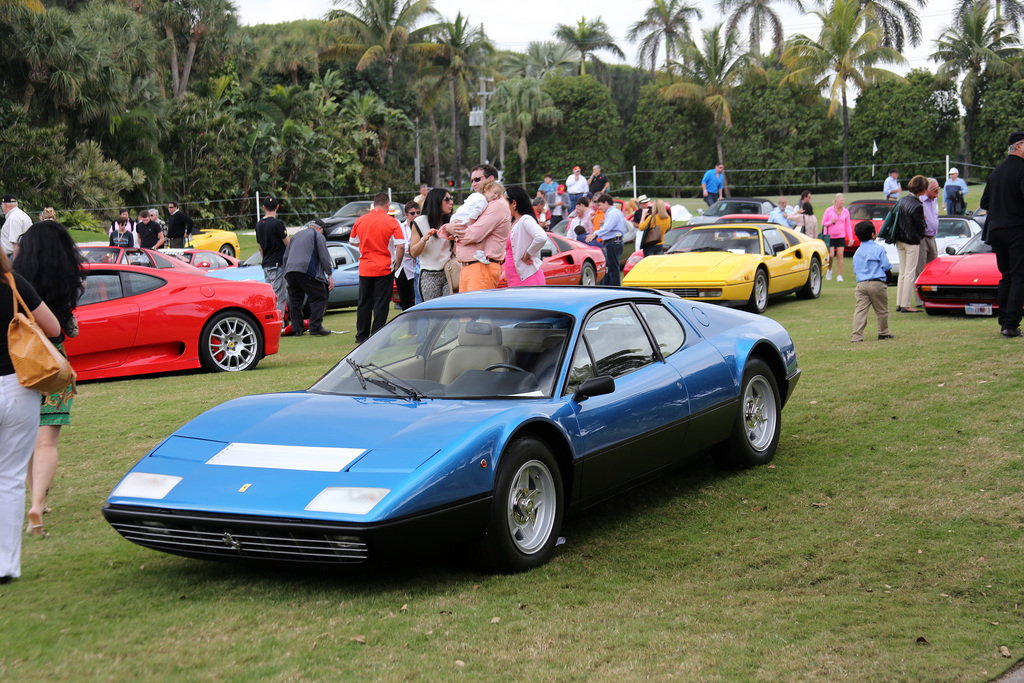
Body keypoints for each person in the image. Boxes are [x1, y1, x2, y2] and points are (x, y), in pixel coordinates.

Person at [13, 220, 83, 539]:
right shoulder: (65, 281)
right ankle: (38, 506)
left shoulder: (16, 283)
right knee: (47, 441)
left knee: (27, 441)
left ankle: (34, 498)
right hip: (54, 368)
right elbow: (68, 330)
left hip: (21, 367)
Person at [1, 248, 61, 584]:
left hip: (16, 387)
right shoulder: (14, 284)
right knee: (9, 478)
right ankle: (6, 565)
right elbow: (52, 327)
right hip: (17, 384)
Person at [979, 131, 1024, 338]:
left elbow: (984, 203)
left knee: (1006, 276)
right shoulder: (1022, 169)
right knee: (1018, 276)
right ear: (1019, 146)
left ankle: (1004, 321)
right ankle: (1011, 323)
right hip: (1017, 229)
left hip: (996, 231)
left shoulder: (996, 172)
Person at [446, 164, 512, 292]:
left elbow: (474, 234)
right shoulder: (481, 201)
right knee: (467, 311)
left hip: (482, 267)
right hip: (471, 267)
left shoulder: (497, 204)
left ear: (491, 179)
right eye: (472, 181)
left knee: (477, 311)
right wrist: (449, 228)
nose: (474, 184)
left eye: (477, 179)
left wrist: (455, 234)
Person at [350, 192, 405, 343]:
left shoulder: (360, 221)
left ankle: (361, 335)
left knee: (364, 302)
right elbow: (400, 246)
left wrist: (366, 245)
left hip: (365, 267)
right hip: (384, 267)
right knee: (381, 303)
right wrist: (398, 263)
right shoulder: (392, 222)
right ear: (387, 205)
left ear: (374, 204)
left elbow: (352, 241)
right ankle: (377, 335)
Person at [282, 219, 334, 337]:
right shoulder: (318, 236)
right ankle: (315, 326)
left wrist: (288, 270)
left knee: (296, 301)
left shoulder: (296, 236)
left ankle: (297, 329)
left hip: (290, 271)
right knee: (320, 296)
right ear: (320, 228)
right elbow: (324, 257)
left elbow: (285, 256)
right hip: (306, 270)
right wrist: (329, 275)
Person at [851, 220, 894, 343]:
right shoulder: (878, 249)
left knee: (860, 310)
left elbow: (855, 269)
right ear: (873, 235)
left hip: (861, 284)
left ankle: (856, 336)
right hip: (877, 283)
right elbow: (885, 265)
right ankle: (883, 332)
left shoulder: (857, 252)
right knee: (882, 310)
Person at [408, 189, 455, 301]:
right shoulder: (420, 222)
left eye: (451, 198)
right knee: (434, 314)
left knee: (450, 311)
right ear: (436, 202)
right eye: (447, 199)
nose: (451, 202)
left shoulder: (451, 221)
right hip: (430, 274)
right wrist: (424, 239)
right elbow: (414, 253)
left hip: (449, 272)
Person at [894, 175, 929, 313]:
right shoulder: (917, 205)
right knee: (909, 272)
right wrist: (921, 234)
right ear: (921, 189)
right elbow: (920, 226)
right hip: (911, 241)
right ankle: (906, 304)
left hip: (900, 240)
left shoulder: (902, 200)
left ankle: (899, 302)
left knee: (902, 272)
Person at [505, 186, 548, 287]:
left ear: (514, 203)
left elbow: (541, 237)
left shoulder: (525, 219)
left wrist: (528, 254)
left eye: (505, 202)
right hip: (515, 278)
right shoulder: (514, 222)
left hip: (527, 277)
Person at [255, 195, 289, 319]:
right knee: (279, 295)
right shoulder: (278, 224)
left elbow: (260, 247)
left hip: (266, 264)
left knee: (269, 296)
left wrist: (265, 258)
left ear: (264, 207)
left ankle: (270, 321)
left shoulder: (259, 225)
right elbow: (287, 243)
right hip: (277, 264)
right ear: (277, 207)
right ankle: (279, 322)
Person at [586, 193, 627, 286]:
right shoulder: (615, 212)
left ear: (606, 203)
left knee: (612, 267)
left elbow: (607, 228)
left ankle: (615, 287)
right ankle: (611, 286)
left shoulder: (612, 213)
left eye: (600, 205)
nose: (599, 208)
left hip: (613, 242)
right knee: (610, 266)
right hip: (614, 241)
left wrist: (595, 234)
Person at [917, 178, 941, 300]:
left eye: (938, 188)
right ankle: (920, 299)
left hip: (932, 237)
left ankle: (933, 296)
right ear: (927, 190)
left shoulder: (934, 200)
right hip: (922, 237)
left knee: (934, 267)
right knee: (921, 268)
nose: (938, 191)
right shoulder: (920, 200)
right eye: (935, 189)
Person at [394, 201, 420, 310]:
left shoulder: (421, 226)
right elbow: (400, 247)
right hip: (403, 268)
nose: (416, 215)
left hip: (416, 269)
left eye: (418, 213)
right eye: (412, 213)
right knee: (405, 303)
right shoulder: (400, 227)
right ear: (406, 215)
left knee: (418, 301)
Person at [822, 193, 853, 281]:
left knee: (840, 255)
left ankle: (839, 275)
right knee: (831, 255)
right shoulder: (829, 210)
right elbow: (823, 223)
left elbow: (848, 226)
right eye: (841, 201)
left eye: (843, 201)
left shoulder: (845, 211)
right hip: (830, 236)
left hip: (840, 236)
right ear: (836, 201)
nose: (842, 202)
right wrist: (831, 222)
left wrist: (850, 238)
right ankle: (829, 270)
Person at [1, 195, 32, 260]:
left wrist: (15, 265)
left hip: (14, 256)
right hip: (25, 254)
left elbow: (16, 244)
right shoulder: (23, 215)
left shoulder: (13, 218)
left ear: (5, 205)